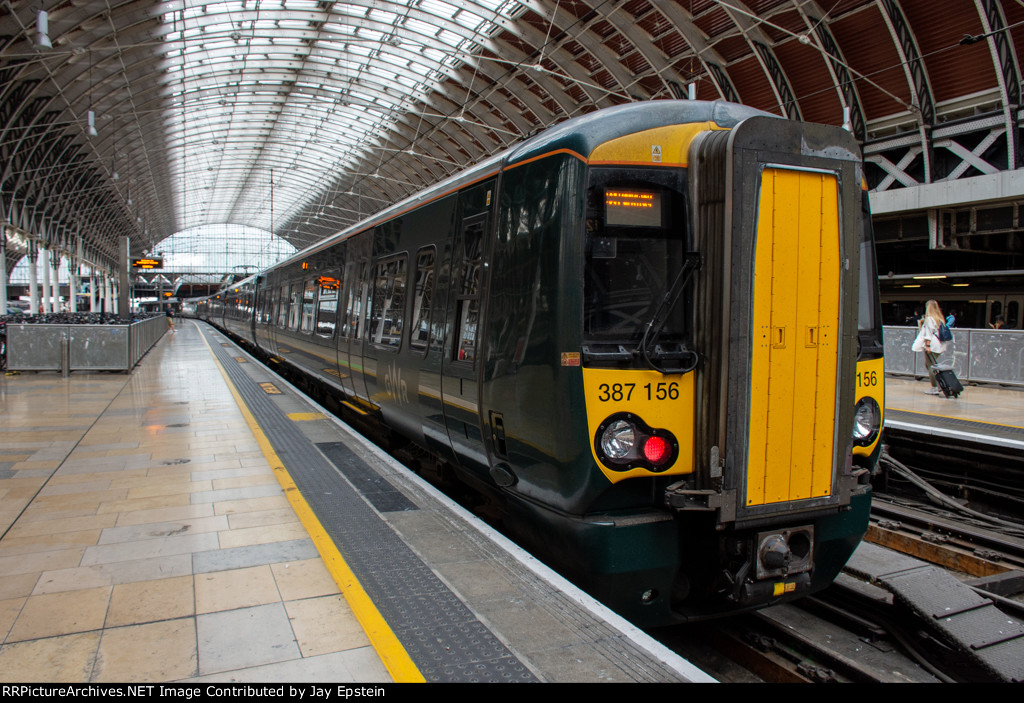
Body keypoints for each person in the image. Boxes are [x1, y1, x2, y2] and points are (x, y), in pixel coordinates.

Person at [911, 299, 946, 395]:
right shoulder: (940, 318)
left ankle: (935, 387)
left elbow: (928, 334)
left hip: (932, 345)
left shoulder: (929, 319)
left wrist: (927, 345)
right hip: (940, 345)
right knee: (932, 365)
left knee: (930, 366)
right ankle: (939, 385)